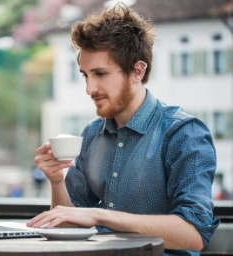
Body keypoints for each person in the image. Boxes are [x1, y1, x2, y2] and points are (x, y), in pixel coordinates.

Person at [26, 3, 220, 256]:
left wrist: (99, 215)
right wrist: (55, 181)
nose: (89, 89)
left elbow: (193, 235)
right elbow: (68, 223)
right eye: (85, 75)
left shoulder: (184, 133)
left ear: (137, 71)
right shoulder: (91, 135)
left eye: (100, 73)